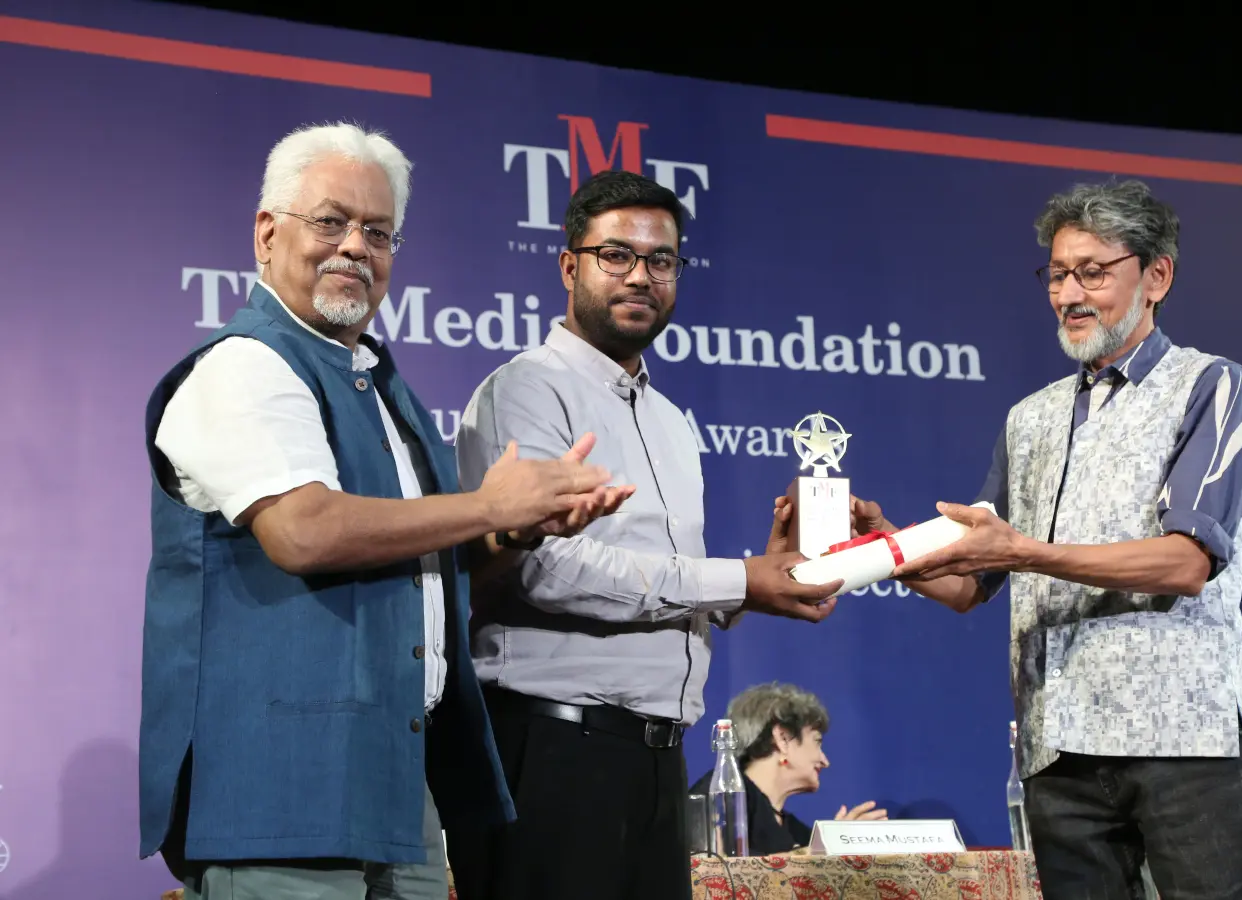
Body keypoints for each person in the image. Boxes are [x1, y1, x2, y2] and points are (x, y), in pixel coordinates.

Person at [139, 122, 628, 900]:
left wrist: (506, 529)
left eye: (378, 231)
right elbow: (304, 531)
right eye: (329, 222)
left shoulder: (375, 382)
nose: (355, 247)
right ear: (267, 234)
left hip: (400, 790)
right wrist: (483, 505)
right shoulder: (244, 366)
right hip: (282, 797)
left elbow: (411, 563)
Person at [855, 179, 1242, 899]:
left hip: (1187, 747)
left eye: (1093, 272)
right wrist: (885, 549)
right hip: (1060, 756)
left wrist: (1023, 552)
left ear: (1157, 276)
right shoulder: (1031, 418)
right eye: (1056, 274)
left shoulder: (1213, 386)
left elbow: (1185, 562)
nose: (1069, 293)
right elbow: (967, 584)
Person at [446, 169, 844, 900]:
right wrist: (738, 579)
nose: (641, 276)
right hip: (555, 748)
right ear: (571, 265)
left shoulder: (667, 418)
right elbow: (545, 569)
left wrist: (763, 579)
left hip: (658, 759)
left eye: (661, 260)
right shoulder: (526, 389)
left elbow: (669, 573)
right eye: (617, 256)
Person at [690, 682, 886, 855]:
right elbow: (716, 873)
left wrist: (838, 845)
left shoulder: (795, 830)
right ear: (783, 738)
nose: (825, 761)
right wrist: (825, 852)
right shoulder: (719, 795)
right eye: (817, 742)